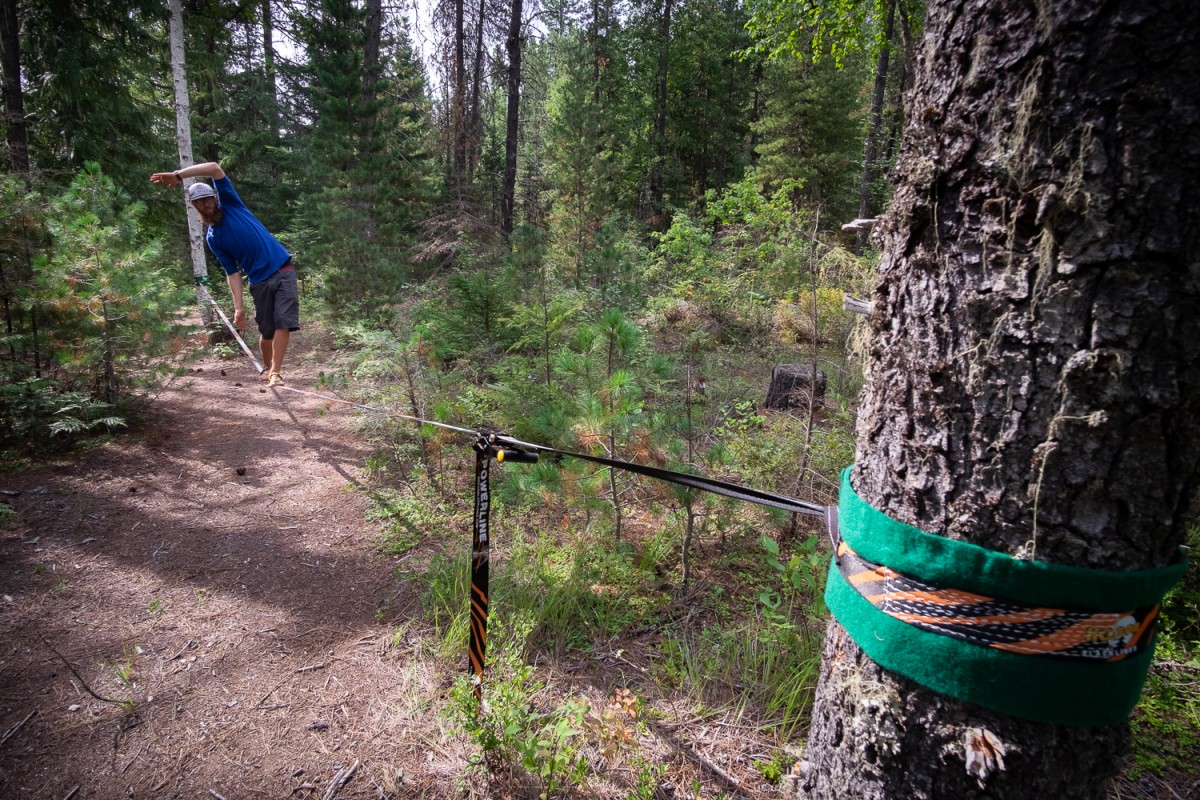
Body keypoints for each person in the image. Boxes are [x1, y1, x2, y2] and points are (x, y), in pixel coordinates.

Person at [150, 162, 297, 387]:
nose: (206, 203)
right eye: (200, 201)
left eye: (208, 198)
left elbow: (214, 168)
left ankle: (276, 373)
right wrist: (238, 307)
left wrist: (178, 176)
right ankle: (268, 368)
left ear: (215, 197)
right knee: (266, 332)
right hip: (258, 280)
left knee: (282, 322)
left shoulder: (232, 204)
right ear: (194, 206)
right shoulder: (213, 238)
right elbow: (233, 273)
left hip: (282, 268)